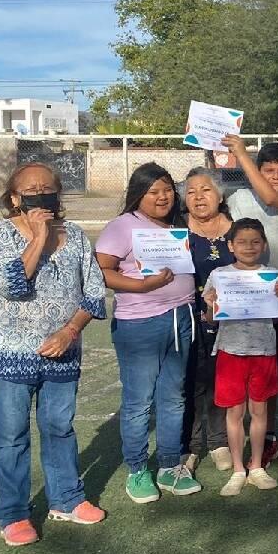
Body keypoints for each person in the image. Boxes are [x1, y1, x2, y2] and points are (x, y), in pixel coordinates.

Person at [0, 163, 107, 546]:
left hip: (62, 354)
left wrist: (70, 331)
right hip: (10, 355)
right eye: (31, 190)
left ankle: (67, 499)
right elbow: (11, 287)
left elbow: (96, 293)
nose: (42, 194)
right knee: (12, 436)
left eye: (48, 188)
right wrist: (37, 237)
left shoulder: (77, 237)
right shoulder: (0, 234)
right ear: (15, 199)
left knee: (59, 428)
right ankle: (13, 513)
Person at [96, 162, 200, 503]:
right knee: (139, 402)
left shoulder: (178, 224)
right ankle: (138, 470)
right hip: (140, 323)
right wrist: (143, 285)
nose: (163, 197)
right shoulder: (123, 226)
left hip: (181, 318)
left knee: (174, 397)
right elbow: (103, 271)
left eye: (168, 189)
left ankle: (170, 466)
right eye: (153, 191)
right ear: (137, 194)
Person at [223, 134, 278, 464]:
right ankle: (269, 434)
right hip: (253, 304)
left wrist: (240, 153)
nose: (275, 176)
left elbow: (271, 197)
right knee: (265, 376)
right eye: (268, 169)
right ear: (257, 169)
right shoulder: (238, 197)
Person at [202, 219, 278, 495]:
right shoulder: (219, 275)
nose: (248, 247)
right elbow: (212, 319)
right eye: (241, 242)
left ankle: (257, 465)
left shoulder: (272, 275)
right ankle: (238, 469)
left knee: (259, 411)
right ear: (230, 246)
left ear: (263, 245)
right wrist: (211, 303)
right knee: (234, 412)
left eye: (255, 242)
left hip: (263, 351)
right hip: (231, 350)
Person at [182, 168, 234, 474]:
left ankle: (219, 441)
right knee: (191, 383)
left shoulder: (236, 229)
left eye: (206, 189)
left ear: (220, 195)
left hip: (229, 323)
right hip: (189, 320)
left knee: (221, 381)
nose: (199, 197)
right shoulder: (176, 231)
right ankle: (190, 445)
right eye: (191, 191)